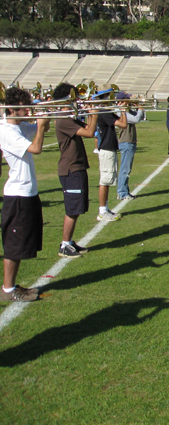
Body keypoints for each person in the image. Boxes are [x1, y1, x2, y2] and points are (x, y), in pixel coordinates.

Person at [0, 87, 49, 301]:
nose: (28, 110)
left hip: (27, 192)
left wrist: (43, 120)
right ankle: (8, 290)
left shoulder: (18, 126)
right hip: (17, 194)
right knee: (13, 245)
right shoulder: (7, 131)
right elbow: (36, 148)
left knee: (20, 244)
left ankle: (12, 287)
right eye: (24, 108)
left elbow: (38, 131)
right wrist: (40, 125)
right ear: (12, 109)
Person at [52, 83, 98, 258]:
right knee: (72, 208)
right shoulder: (63, 119)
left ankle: (69, 241)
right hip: (70, 168)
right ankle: (64, 244)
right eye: (73, 97)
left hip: (77, 166)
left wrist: (93, 113)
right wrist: (93, 112)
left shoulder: (69, 118)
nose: (77, 100)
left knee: (77, 207)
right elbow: (90, 132)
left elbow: (89, 130)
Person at [95, 87, 127, 220]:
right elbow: (123, 124)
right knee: (105, 181)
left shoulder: (106, 111)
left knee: (108, 181)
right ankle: (102, 211)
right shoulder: (104, 113)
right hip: (107, 149)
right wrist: (124, 111)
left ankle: (105, 209)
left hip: (109, 148)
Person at [116, 92, 144, 200]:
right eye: (127, 99)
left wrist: (139, 106)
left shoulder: (126, 111)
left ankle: (124, 191)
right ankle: (122, 192)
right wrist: (140, 107)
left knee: (126, 168)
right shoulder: (120, 112)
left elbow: (138, 117)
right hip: (126, 142)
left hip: (129, 142)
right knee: (125, 169)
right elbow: (136, 119)